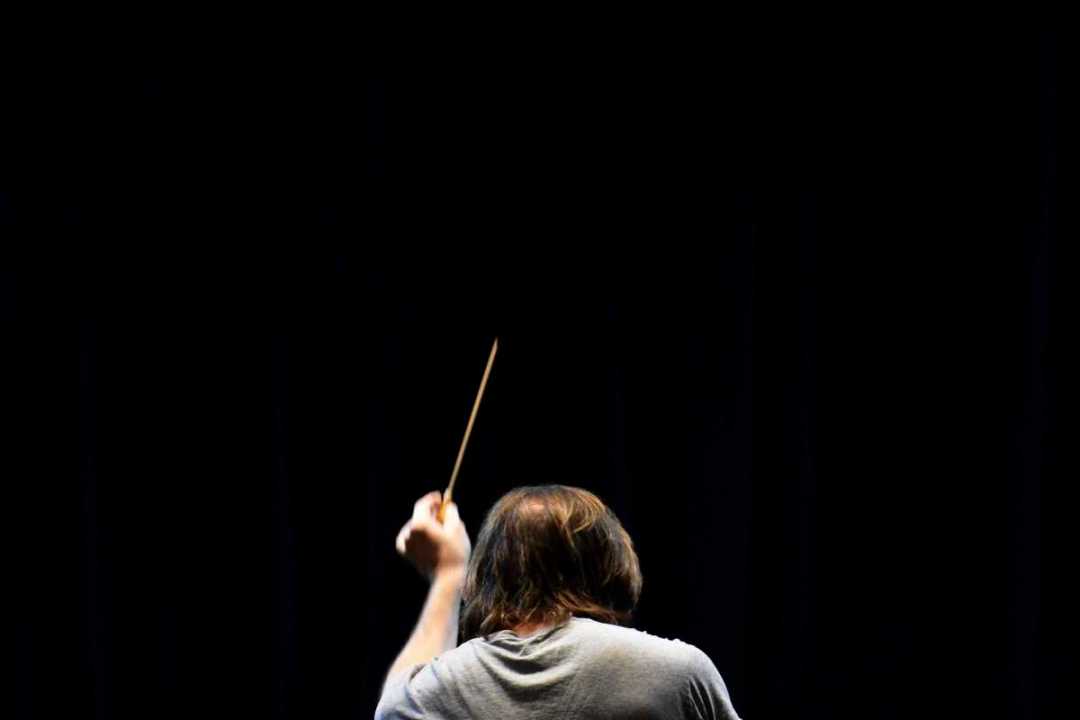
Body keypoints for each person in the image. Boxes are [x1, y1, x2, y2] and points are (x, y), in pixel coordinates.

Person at [375, 485, 741, 719]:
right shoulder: (678, 673)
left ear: (486, 573)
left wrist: (449, 573)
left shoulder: (433, 691)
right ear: (613, 565)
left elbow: (391, 706)